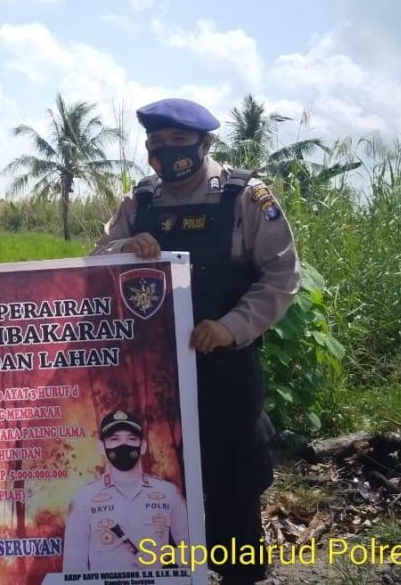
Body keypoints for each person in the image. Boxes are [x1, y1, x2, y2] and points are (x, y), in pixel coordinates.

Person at [93, 99, 300, 584]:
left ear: (205, 143)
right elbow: (96, 260)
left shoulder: (246, 198)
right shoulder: (139, 202)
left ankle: (240, 575)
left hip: (225, 369)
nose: (166, 155)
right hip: (155, 376)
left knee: (234, 484)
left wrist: (231, 327)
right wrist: (125, 249)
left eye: (178, 143)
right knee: (156, 481)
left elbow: (281, 277)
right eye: (156, 145)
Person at [62, 409, 190, 572]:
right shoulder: (83, 500)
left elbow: (191, 550)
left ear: (142, 446)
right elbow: (73, 568)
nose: (124, 445)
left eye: (131, 438)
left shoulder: (168, 493)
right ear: (101, 447)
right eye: (114, 439)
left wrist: (169, 564)